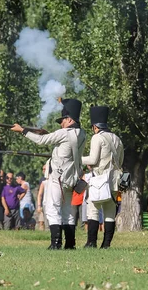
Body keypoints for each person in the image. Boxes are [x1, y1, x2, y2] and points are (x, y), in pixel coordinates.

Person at [11, 98, 86, 249]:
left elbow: (41, 141)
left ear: (69, 119)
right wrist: (48, 134)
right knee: (68, 213)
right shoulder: (82, 133)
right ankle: (70, 244)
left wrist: (23, 131)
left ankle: (56, 243)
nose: (61, 123)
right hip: (71, 179)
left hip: (57, 178)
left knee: (52, 209)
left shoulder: (64, 133)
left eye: (62, 120)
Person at [81, 106, 124, 248]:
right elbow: (120, 161)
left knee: (93, 210)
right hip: (115, 180)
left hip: (100, 180)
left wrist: (78, 159)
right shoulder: (117, 139)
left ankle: (91, 242)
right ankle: (106, 244)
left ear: (95, 126)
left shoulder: (97, 137)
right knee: (110, 212)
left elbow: (93, 160)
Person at [36, 163, 48, 231]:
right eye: (43, 169)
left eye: (45, 169)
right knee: (41, 221)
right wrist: (39, 205)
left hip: (49, 202)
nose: (43, 170)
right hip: (43, 201)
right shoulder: (42, 180)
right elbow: (39, 193)